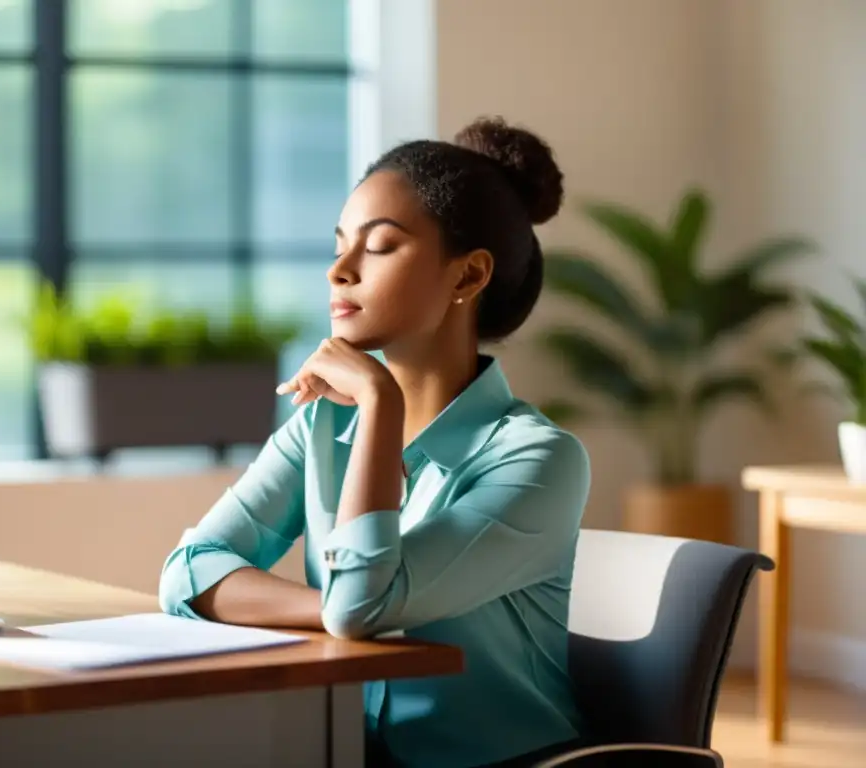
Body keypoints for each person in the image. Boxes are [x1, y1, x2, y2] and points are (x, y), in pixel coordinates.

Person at [159, 116, 592, 768]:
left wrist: (379, 401)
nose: (339, 271)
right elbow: (188, 572)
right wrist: (328, 609)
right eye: (339, 246)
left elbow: (362, 607)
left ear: (468, 277)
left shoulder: (540, 460)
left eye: (381, 246)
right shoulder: (321, 427)